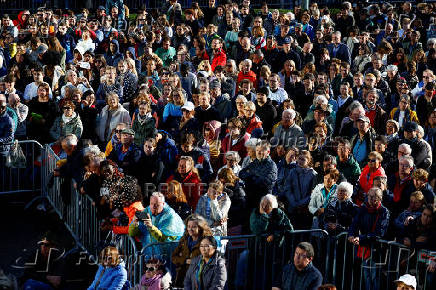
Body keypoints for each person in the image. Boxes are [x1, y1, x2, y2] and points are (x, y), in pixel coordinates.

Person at [172, 214, 213, 287]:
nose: (190, 229)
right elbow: (174, 257)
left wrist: (194, 262)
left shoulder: (207, 241)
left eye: (194, 227)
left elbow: (210, 260)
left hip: (199, 278)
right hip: (182, 277)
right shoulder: (184, 239)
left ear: (200, 228)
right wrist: (184, 260)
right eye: (188, 226)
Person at [239, 140, 278, 211]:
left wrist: (250, 177)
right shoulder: (255, 162)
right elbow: (241, 173)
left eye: (261, 150)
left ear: (268, 152)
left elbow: (266, 183)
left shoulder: (271, 165)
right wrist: (254, 176)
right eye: (257, 150)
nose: (258, 153)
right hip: (250, 199)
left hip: (263, 201)